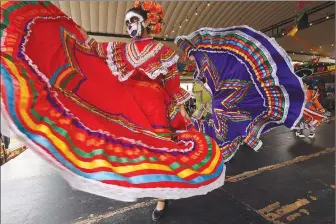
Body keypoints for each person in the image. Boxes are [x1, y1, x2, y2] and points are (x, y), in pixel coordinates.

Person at [1, 1, 305, 222]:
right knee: (125, 152)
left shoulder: (164, 54)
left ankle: (161, 199)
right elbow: (88, 51)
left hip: (156, 109)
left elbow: (173, 89)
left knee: (159, 155)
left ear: (149, 24)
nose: (130, 27)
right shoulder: (116, 50)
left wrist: (180, 115)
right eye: (128, 22)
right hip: (125, 106)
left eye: (134, 21)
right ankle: (146, 191)